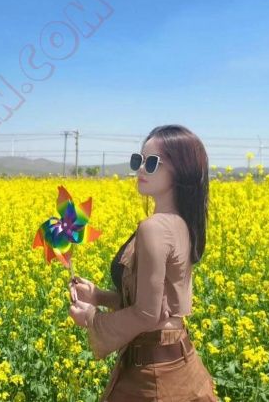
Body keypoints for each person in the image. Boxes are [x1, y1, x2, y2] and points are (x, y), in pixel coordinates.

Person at [68, 124, 218, 401]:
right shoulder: (181, 223)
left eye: (151, 163)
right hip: (176, 362)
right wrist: (99, 296)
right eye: (138, 160)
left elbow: (148, 314)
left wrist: (91, 318)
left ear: (180, 170)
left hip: (153, 376)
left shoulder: (155, 227)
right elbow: (158, 305)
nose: (140, 170)